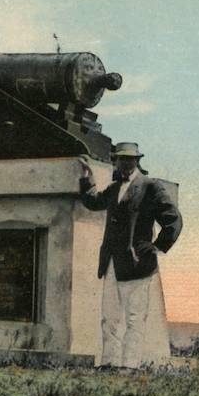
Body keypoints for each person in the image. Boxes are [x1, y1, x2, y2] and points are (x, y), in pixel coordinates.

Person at [78, 142, 182, 369]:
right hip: (112, 264)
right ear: (115, 160)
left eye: (130, 159)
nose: (125, 163)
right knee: (110, 318)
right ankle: (109, 363)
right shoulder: (114, 188)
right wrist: (87, 177)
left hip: (137, 265)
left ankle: (130, 365)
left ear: (137, 161)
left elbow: (173, 219)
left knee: (134, 318)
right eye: (121, 158)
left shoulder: (150, 186)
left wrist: (157, 246)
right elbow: (93, 202)